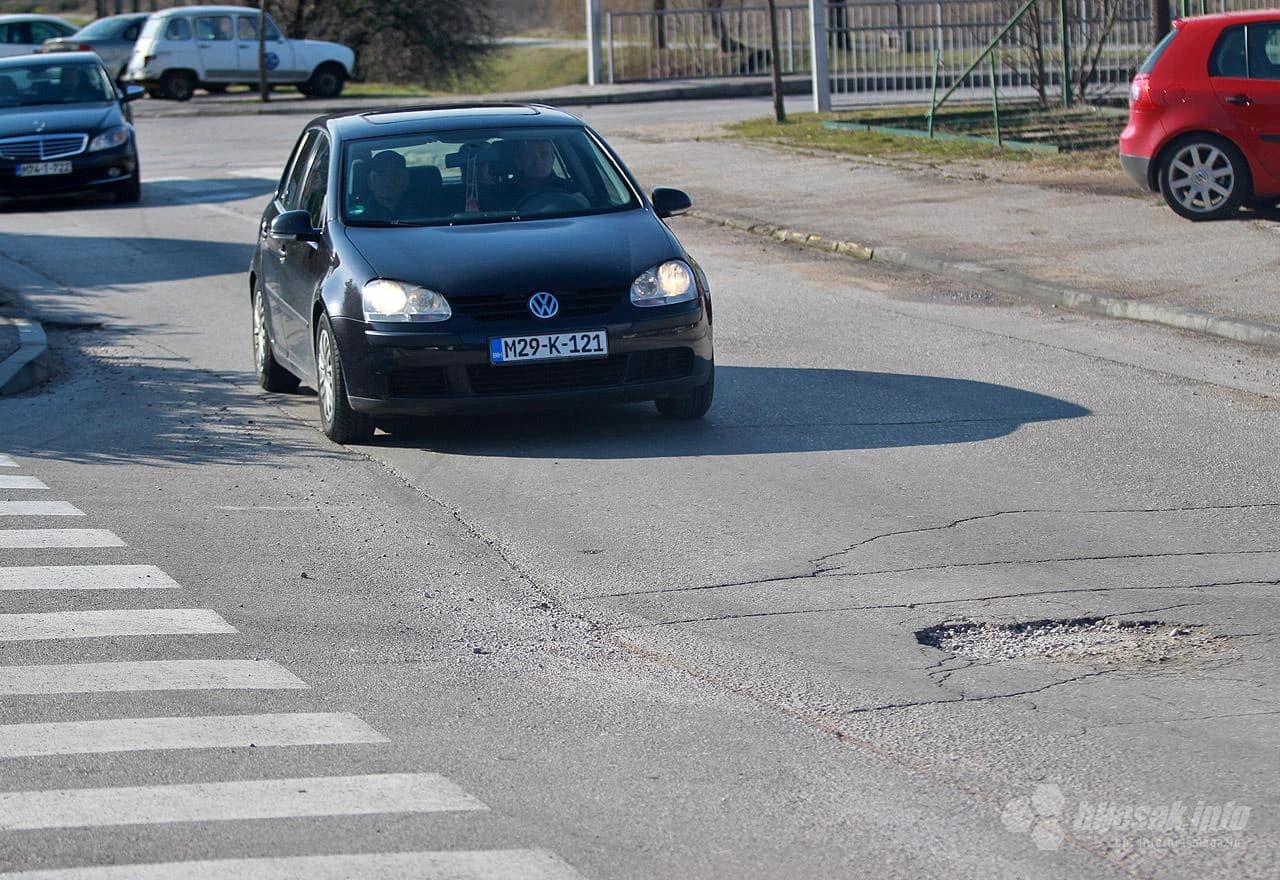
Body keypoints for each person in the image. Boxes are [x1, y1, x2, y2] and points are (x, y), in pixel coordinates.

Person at [489, 138, 584, 211]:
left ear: (552, 159)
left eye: (544, 154)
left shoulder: (570, 190)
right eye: (530, 155)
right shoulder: (498, 194)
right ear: (518, 161)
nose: (538, 161)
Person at [356, 150, 410, 221]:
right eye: (382, 174)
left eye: (395, 174)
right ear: (371, 183)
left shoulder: (424, 212)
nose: (389, 180)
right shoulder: (358, 217)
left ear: (405, 182)